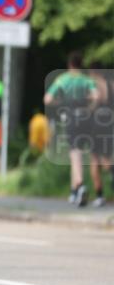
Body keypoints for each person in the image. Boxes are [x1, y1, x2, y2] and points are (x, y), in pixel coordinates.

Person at [44, 51, 98, 207]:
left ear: (69, 64)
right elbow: (96, 96)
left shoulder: (63, 79)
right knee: (78, 153)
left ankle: (80, 185)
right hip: (86, 118)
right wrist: (90, 108)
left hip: (72, 118)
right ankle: (74, 192)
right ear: (81, 64)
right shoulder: (86, 80)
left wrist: (60, 103)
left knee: (75, 155)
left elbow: (47, 99)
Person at [87, 61, 112, 206]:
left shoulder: (94, 85)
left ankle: (99, 195)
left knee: (95, 160)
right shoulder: (111, 83)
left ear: (93, 72)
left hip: (96, 125)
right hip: (109, 124)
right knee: (106, 158)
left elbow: (94, 102)